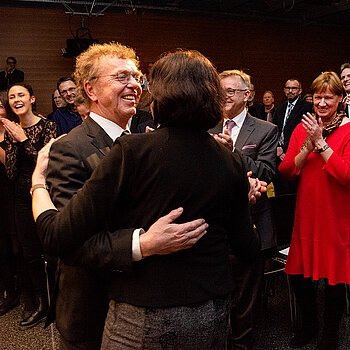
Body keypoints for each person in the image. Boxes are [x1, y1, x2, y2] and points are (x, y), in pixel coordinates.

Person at [32, 50, 259, 349]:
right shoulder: (70, 146)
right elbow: (68, 242)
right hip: (94, 306)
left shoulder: (140, 144)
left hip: (143, 309)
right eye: (121, 77)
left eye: (138, 78)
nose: (135, 85)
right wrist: (142, 244)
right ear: (90, 90)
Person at [279, 71, 350, 350]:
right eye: (317, 97)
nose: (321, 103)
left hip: (335, 215)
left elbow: (345, 175)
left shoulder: (347, 130)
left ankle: (330, 334)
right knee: (299, 275)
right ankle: (310, 325)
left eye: (328, 97)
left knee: (334, 279)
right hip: (307, 214)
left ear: (341, 99)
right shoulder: (302, 128)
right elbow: (286, 171)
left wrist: (320, 145)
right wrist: (307, 143)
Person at [209, 69, 278, 349]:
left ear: (247, 95)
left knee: (245, 302)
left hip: (251, 223)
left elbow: (267, 171)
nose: (224, 96)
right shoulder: (207, 126)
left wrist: (232, 155)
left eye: (230, 91)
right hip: (213, 226)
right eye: (220, 91)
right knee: (215, 298)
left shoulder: (265, 130)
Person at [0, 83, 57, 328]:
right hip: (20, 197)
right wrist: (12, 140)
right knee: (29, 253)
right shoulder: (13, 129)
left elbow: (46, 164)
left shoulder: (48, 126)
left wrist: (23, 140)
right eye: (12, 97)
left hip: (44, 192)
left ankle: (57, 302)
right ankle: (40, 304)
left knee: (50, 249)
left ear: (32, 99)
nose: (16, 99)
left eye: (21, 95)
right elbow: (11, 171)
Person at [0, 91, 18, 316]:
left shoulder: (14, 132)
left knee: (15, 248)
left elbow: (10, 168)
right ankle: (8, 291)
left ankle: (19, 292)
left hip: (10, 195)